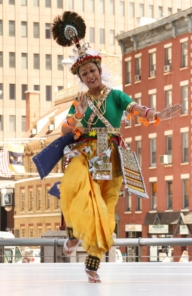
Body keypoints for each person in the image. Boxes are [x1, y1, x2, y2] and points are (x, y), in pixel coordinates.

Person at [52, 11, 181, 283]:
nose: (89, 75)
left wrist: (158, 114)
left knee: (106, 209)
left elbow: (136, 109)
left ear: (100, 71)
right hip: (86, 154)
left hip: (112, 158)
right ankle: (74, 232)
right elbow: (65, 130)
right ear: (81, 76)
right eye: (84, 73)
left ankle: (93, 262)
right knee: (74, 182)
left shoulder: (116, 96)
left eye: (92, 70)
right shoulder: (80, 101)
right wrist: (78, 116)